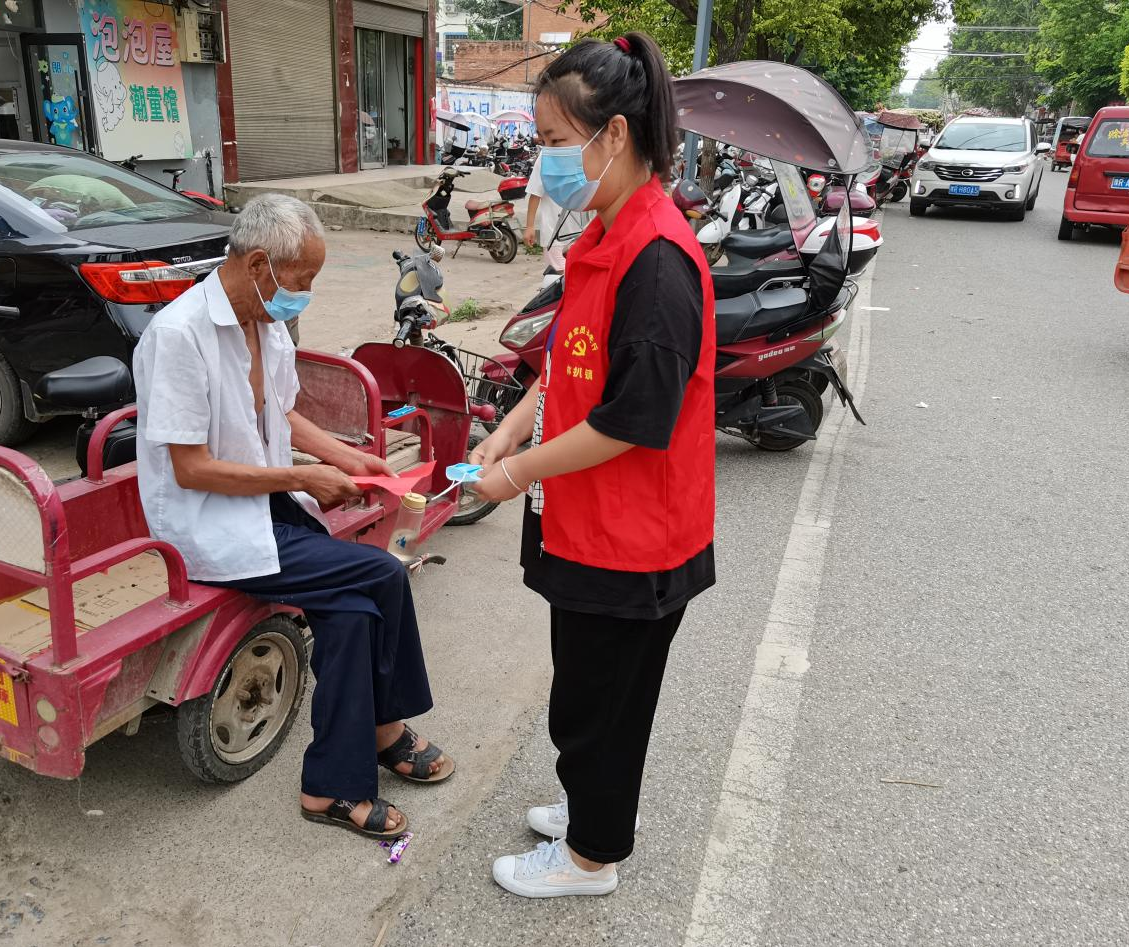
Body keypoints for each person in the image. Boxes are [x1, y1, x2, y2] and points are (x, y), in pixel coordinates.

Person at [471, 33, 717, 898]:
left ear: (611, 135)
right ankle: (591, 808)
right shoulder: (607, 233)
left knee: (600, 706)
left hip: (633, 538)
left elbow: (632, 419)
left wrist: (515, 472)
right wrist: (514, 421)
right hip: (590, 522)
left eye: (549, 142)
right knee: (589, 696)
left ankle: (590, 859)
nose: (542, 162)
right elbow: (570, 358)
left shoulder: (657, 260)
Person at [133, 194, 454, 841]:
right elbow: (191, 469)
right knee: (379, 577)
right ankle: (384, 732)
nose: (305, 292)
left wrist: (351, 458)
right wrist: (303, 477)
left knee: (355, 613)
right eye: (302, 279)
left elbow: (279, 414)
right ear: (259, 264)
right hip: (205, 521)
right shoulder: (179, 335)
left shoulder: (264, 322)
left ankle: (331, 786)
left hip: (260, 501)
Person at [523, 145, 594, 272]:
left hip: (582, 234)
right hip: (554, 235)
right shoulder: (546, 156)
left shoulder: (586, 151)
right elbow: (535, 193)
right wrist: (530, 226)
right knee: (560, 279)